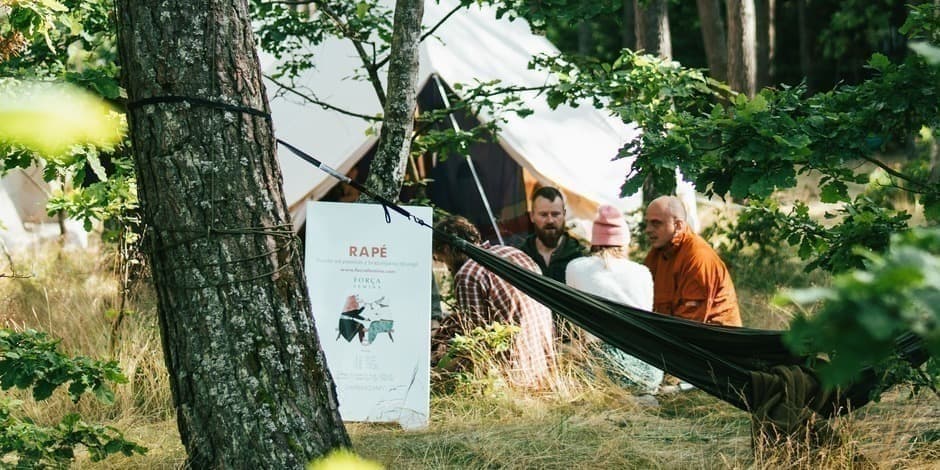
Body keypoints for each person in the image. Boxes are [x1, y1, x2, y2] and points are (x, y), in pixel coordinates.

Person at [432, 215, 556, 389]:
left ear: (446, 249)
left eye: (441, 259)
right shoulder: (512, 252)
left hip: (515, 375)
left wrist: (438, 374)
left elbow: (476, 342)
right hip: (545, 363)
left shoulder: (468, 275)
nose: (446, 267)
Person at [565, 205, 664, 394]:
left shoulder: (575, 268)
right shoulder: (643, 272)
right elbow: (646, 316)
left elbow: (575, 322)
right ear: (624, 242)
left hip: (601, 366)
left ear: (594, 240)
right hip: (647, 369)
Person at [643, 195, 742, 327]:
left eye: (656, 223)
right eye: (647, 223)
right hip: (675, 330)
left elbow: (690, 324)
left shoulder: (698, 257)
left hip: (713, 336)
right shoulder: (658, 253)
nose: (648, 230)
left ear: (678, 226)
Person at [517, 186, 588, 284]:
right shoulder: (520, 257)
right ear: (532, 216)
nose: (550, 220)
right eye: (543, 215)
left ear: (564, 214)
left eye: (555, 214)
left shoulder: (580, 256)